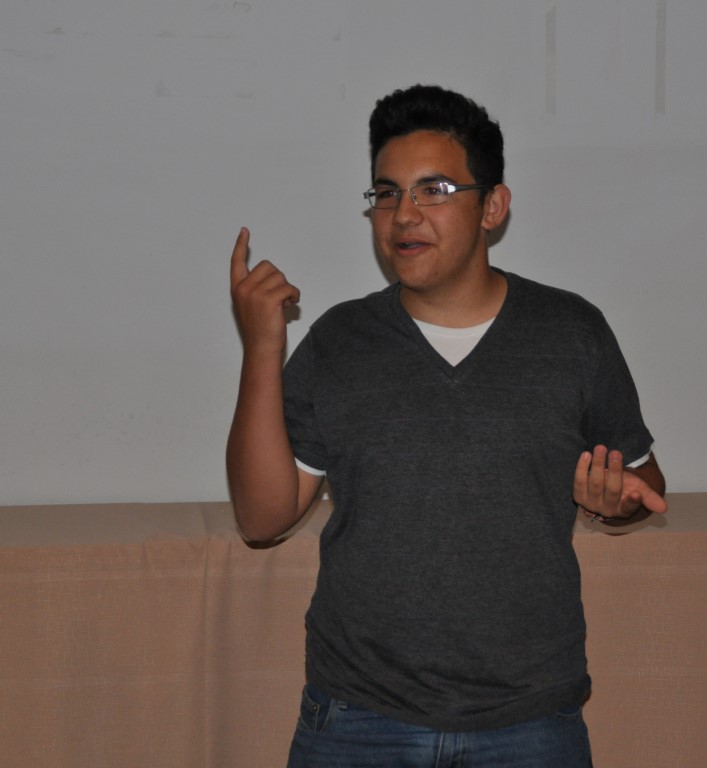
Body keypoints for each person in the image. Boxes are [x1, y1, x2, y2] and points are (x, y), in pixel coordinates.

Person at [227, 84, 666, 767]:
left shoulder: (570, 333)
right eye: (387, 193)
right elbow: (262, 519)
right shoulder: (341, 341)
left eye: (433, 190)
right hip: (356, 719)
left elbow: (645, 484)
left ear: (493, 206)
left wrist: (613, 503)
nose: (404, 215)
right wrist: (262, 347)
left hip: (530, 722)